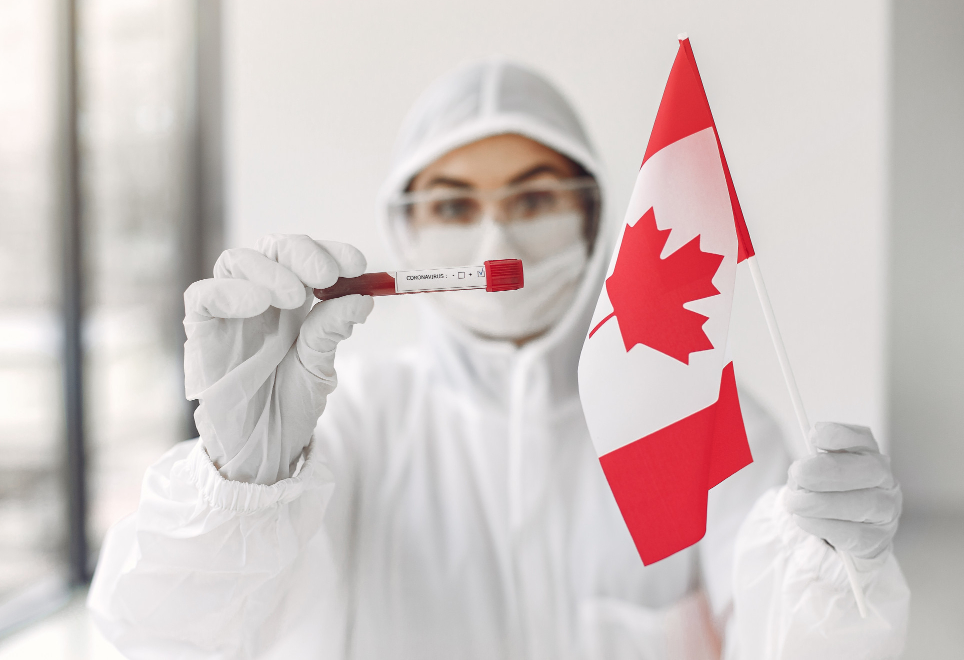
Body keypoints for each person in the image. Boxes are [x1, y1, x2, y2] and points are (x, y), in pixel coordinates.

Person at [88, 58, 909, 659]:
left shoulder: (691, 413)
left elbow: (798, 640)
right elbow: (158, 640)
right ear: (405, 228)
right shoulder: (350, 429)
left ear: (592, 216)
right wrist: (240, 485)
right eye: (451, 203)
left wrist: (832, 567)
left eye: (535, 195)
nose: (496, 237)